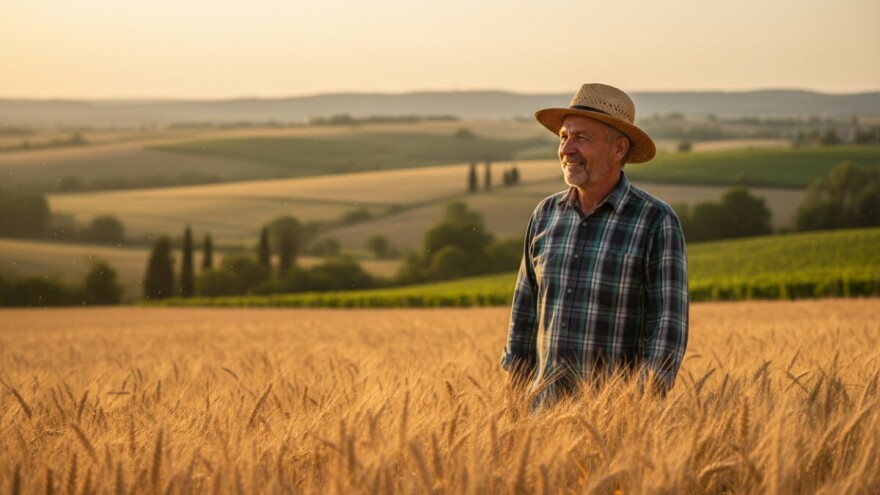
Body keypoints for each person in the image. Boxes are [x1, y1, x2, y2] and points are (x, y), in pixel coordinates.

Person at [501, 83, 688, 408]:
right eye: (563, 137)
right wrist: (514, 404)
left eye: (581, 138)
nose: (566, 149)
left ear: (618, 149)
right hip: (540, 417)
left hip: (617, 421)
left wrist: (638, 409)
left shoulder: (655, 220)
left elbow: (667, 329)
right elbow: (523, 316)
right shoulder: (545, 215)